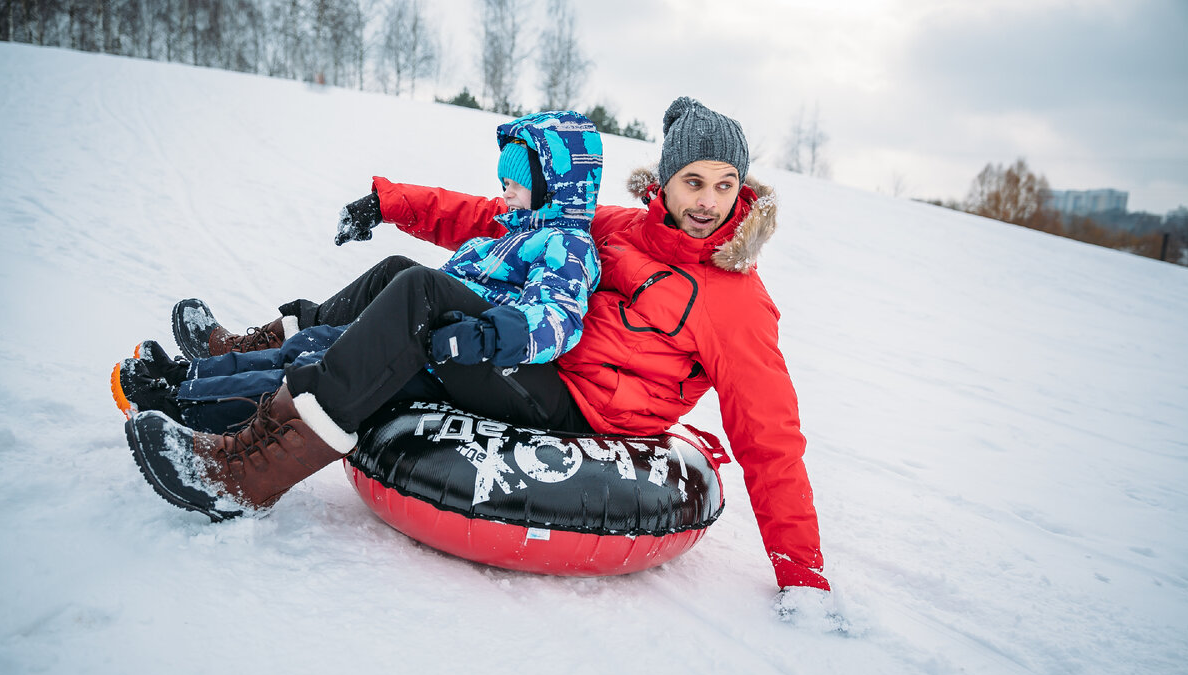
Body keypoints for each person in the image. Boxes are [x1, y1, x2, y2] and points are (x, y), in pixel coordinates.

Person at [126, 97, 830, 595]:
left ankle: (251, 477)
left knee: (421, 299)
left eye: (724, 184)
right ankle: (202, 404)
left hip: (576, 410)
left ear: (743, 192)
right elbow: (497, 219)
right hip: (530, 356)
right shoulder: (623, 229)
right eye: (693, 181)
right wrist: (391, 202)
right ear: (666, 183)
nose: (707, 200)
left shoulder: (736, 301)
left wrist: (802, 571)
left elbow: (771, 437)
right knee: (399, 298)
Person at [114, 108, 603, 435]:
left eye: (517, 185)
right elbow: (455, 221)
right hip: (433, 337)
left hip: (462, 354)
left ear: (556, 185)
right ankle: (189, 376)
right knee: (313, 343)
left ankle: (191, 406)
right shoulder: (514, 227)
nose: (506, 194)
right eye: (504, 183)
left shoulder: (568, 244)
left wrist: (489, 334)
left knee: (320, 360)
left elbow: (558, 316)